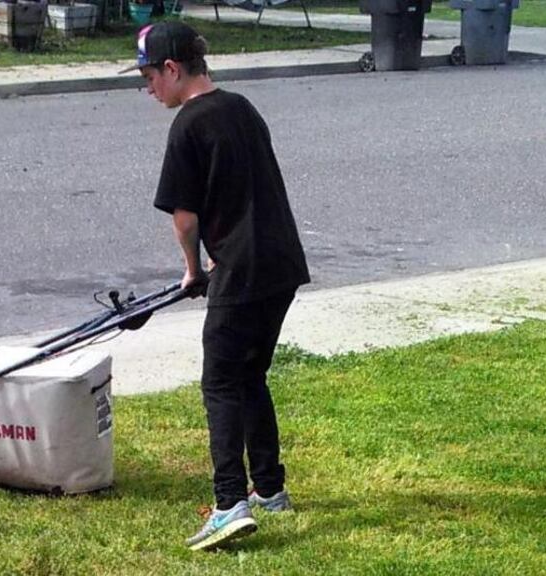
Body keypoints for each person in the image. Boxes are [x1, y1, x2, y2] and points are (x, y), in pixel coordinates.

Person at [121, 22, 310, 551]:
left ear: (173, 70)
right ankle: (270, 489)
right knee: (250, 374)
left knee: (221, 381)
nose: (149, 88)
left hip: (243, 267)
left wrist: (193, 268)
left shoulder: (187, 125)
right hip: (281, 262)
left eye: (149, 76)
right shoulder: (240, 107)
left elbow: (185, 217)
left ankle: (229, 504)